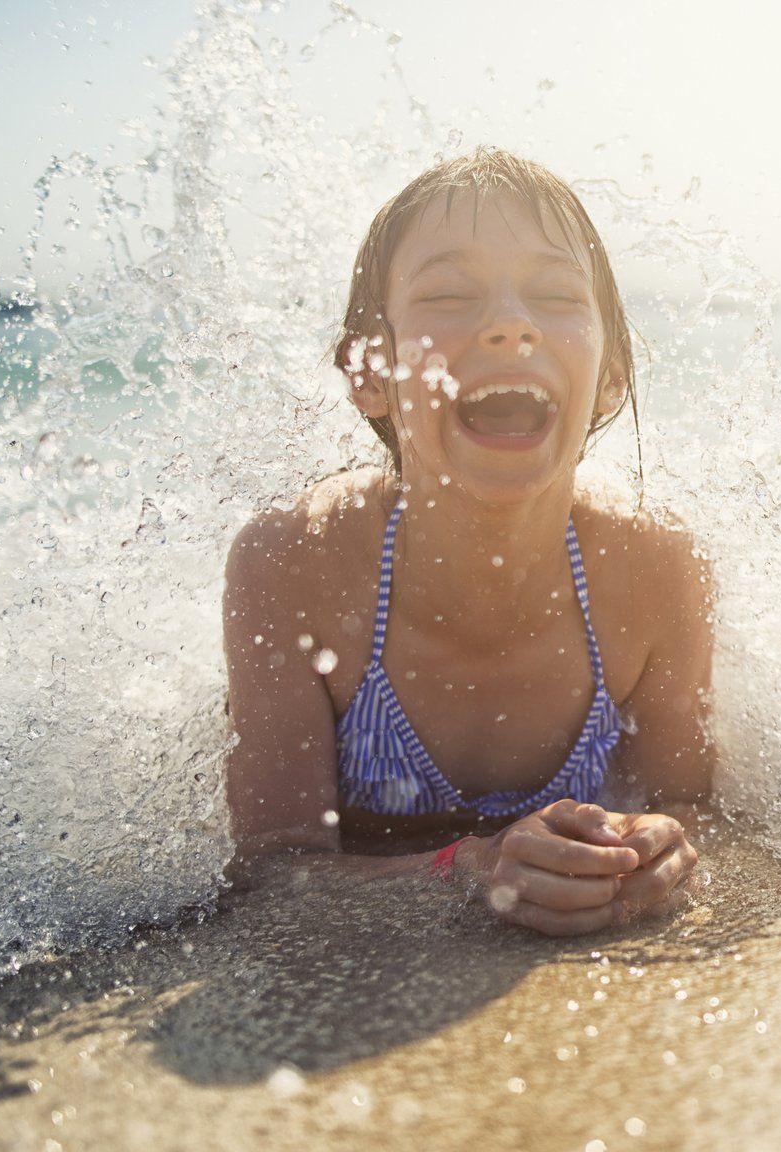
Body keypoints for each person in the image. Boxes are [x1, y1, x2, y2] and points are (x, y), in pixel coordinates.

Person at [221, 149, 713, 935]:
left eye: (554, 294)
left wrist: (664, 853)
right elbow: (271, 875)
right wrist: (466, 869)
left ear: (612, 373)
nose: (511, 324)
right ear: (368, 370)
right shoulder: (296, 564)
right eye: (449, 293)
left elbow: (690, 805)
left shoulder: (653, 569)